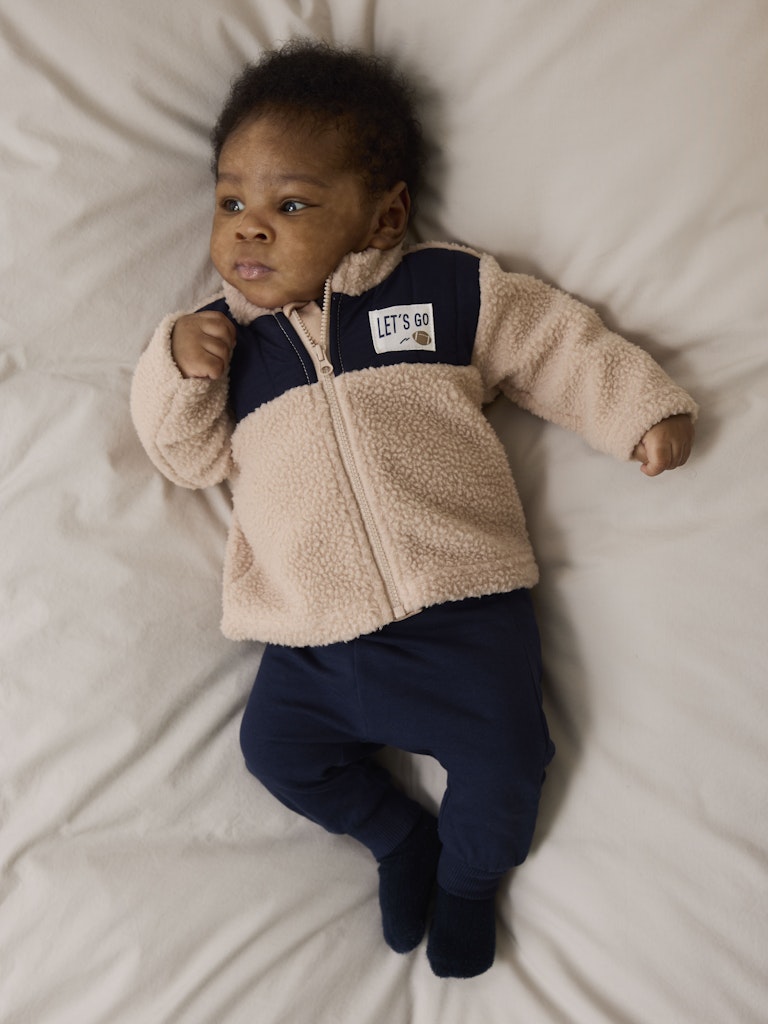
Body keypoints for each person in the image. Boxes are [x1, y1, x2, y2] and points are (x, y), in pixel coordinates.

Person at [131, 40, 697, 979]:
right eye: (231, 201)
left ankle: (471, 884)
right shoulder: (228, 342)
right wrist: (176, 368)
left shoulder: (443, 289)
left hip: (463, 616)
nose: (250, 230)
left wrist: (638, 406)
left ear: (384, 214)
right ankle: (400, 841)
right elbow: (185, 459)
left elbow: (553, 342)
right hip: (311, 638)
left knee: (509, 767)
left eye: (291, 203)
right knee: (275, 754)